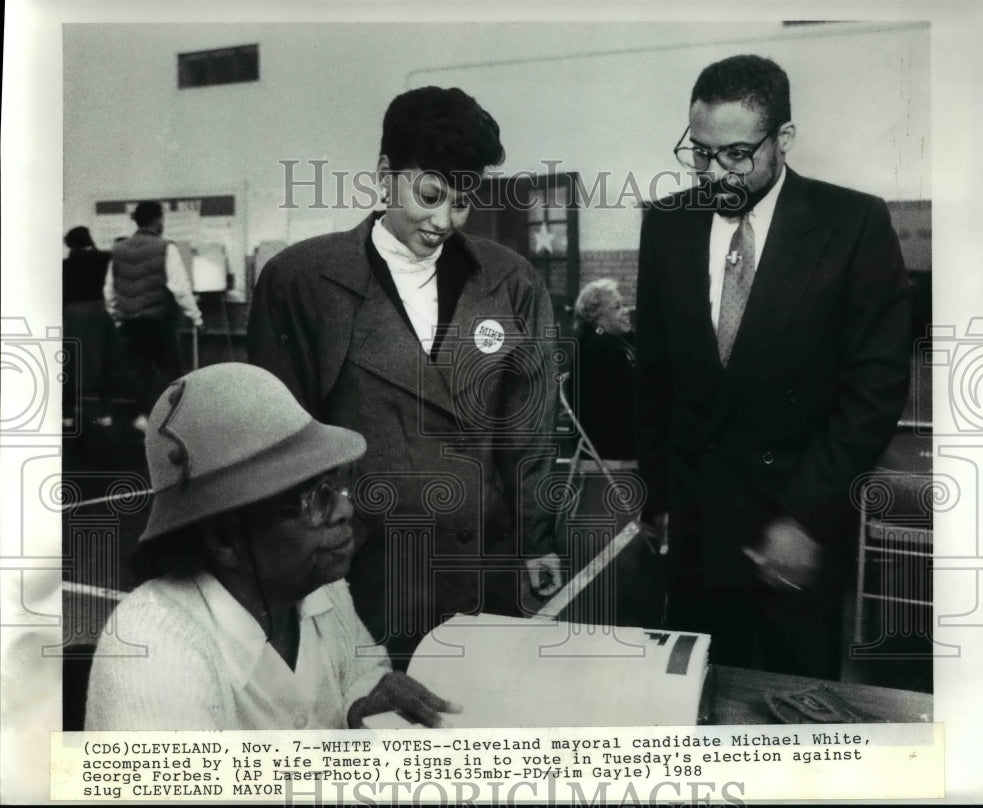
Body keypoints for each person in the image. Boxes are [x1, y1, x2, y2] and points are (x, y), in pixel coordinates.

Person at [248, 86, 563, 666]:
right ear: (386, 174)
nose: (445, 221)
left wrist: (537, 543)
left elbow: (531, 435)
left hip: (483, 581)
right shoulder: (302, 284)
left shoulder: (512, 282)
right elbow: (276, 455)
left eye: (463, 201)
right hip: (362, 584)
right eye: (429, 195)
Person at [634, 55, 911, 679]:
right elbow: (652, 375)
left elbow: (876, 386)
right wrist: (656, 497)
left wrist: (805, 517)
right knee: (694, 699)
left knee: (793, 708)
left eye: (736, 153)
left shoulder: (853, 223)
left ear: (782, 139)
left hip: (796, 527)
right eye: (700, 153)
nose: (715, 172)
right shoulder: (667, 224)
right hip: (694, 529)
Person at [85, 363, 458, 730]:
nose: (345, 509)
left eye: (338, 483)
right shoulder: (152, 647)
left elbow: (357, 673)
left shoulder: (320, 588)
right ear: (224, 540)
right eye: (314, 498)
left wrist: (362, 700)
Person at [104, 200, 203, 433]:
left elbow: (109, 290)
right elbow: (179, 287)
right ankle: (160, 418)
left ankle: (143, 415)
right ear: (158, 220)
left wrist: (118, 317)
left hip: (130, 321)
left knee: (139, 370)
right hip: (159, 320)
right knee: (169, 369)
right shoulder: (165, 247)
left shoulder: (118, 249)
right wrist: (196, 317)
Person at [572, 279, 636, 460]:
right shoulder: (596, 347)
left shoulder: (617, 339)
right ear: (597, 317)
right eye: (617, 308)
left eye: (624, 305)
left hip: (617, 429)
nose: (626, 311)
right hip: (606, 439)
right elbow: (628, 394)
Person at [62, 226, 115, 429]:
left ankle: (68, 412)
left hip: (72, 315)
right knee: (101, 362)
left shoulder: (65, 265)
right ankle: (104, 412)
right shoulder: (104, 258)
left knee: (70, 365)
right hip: (98, 312)